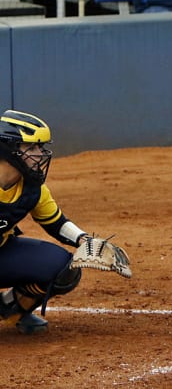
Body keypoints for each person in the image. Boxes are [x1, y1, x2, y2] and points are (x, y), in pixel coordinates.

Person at [0, 110, 129, 335]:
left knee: (62, 268)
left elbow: (56, 222)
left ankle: (9, 308)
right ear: (8, 151)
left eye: (40, 147)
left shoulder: (32, 189)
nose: (40, 154)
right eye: (31, 148)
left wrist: (86, 241)